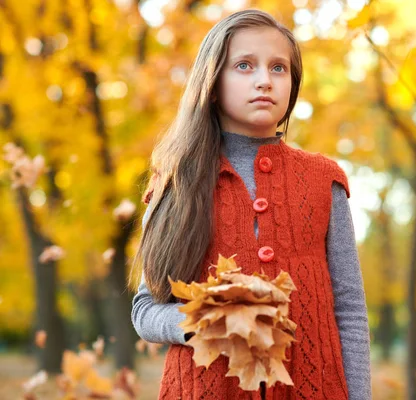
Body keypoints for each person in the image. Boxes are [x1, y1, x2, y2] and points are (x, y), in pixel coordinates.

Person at [130, 9, 371, 400]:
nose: (264, 80)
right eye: (244, 65)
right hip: (205, 389)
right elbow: (145, 310)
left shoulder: (324, 181)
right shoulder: (176, 184)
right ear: (213, 80)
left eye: (279, 68)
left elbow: (350, 313)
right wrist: (197, 322)